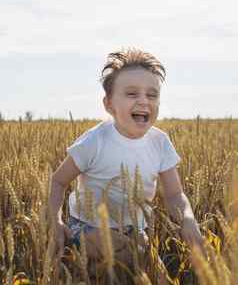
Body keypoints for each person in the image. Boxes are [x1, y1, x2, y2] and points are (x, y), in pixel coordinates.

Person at [49, 48, 204, 284]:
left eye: (152, 95)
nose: (143, 100)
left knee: (157, 274)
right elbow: (59, 181)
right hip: (87, 227)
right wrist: (56, 221)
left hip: (134, 228)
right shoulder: (95, 141)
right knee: (122, 253)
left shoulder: (160, 143)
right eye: (132, 93)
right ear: (109, 104)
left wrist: (188, 218)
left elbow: (175, 194)